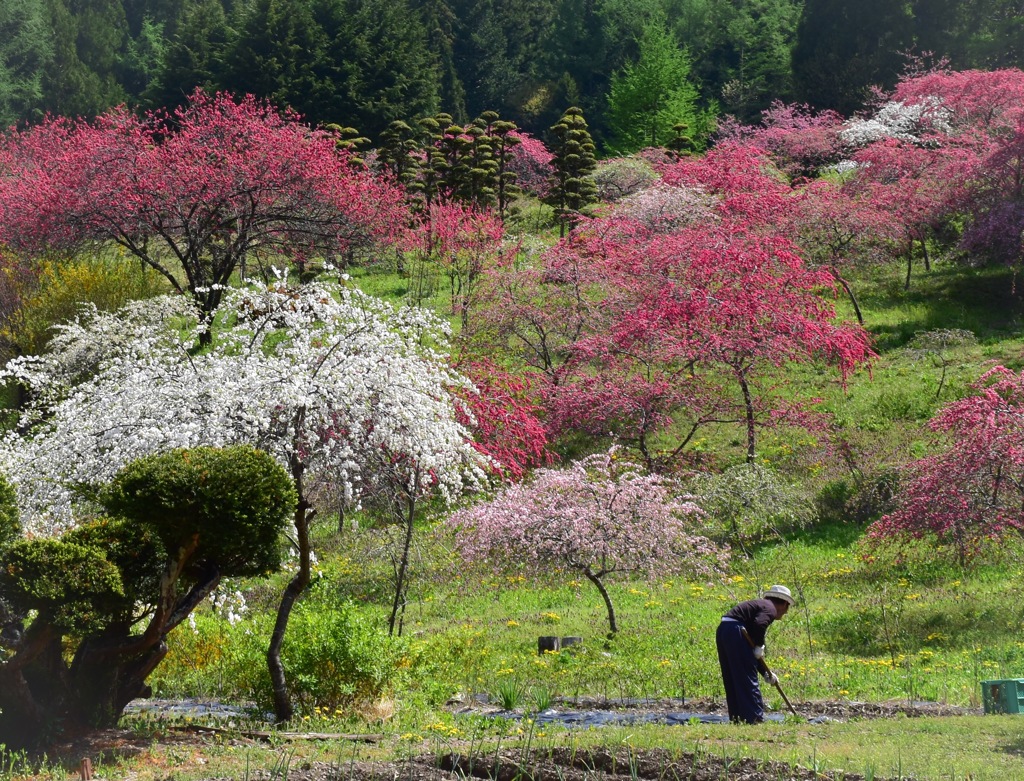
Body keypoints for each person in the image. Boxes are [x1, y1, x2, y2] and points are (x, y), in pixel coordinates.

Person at [716, 584, 794, 723]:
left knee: (733, 676)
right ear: (783, 603)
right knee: (746, 676)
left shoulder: (760, 607)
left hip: (725, 631)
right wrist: (759, 645)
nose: (785, 612)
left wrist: (765, 673)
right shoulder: (769, 607)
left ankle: (738, 718)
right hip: (735, 631)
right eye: (787, 607)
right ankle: (754, 718)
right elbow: (759, 625)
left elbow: (751, 650)